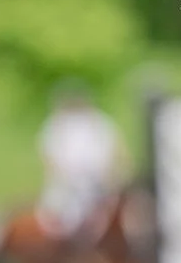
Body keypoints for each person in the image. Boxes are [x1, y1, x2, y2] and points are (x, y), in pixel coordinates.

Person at [35, 83, 124, 240]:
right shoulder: (55, 125)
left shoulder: (99, 122)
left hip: (99, 180)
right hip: (70, 183)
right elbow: (49, 156)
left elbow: (115, 149)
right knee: (64, 214)